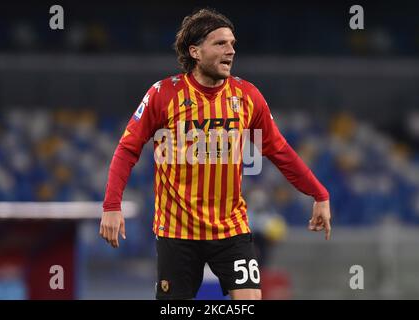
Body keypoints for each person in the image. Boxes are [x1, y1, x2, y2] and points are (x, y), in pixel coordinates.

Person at [100, 8, 331, 300]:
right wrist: (111, 205)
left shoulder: (247, 96)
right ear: (195, 51)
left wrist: (319, 194)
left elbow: (279, 150)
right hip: (177, 232)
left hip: (230, 230)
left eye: (232, 44)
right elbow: (127, 148)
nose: (230, 51)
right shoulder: (162, 94)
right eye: (220, 43)